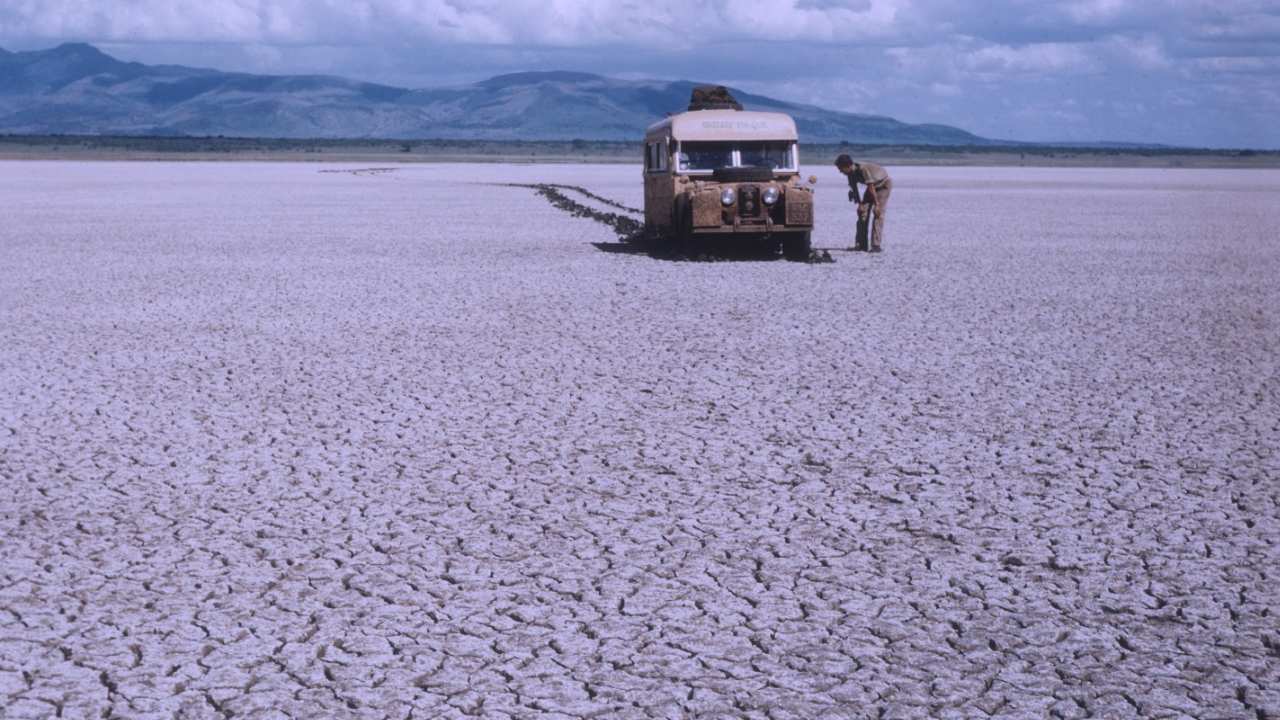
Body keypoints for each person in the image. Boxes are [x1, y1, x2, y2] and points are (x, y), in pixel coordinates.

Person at [835, 155, 892, 252]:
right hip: (872, 188)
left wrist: (877, 205)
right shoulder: (850, 174)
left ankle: (876, 246)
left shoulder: (862, 169)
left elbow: (870, 186)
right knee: (862, 214)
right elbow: (854, 189)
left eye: (841, 168)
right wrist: (860, 205)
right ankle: (861, 245)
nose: (840, 171)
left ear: (847, 166)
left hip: (883, 185)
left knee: (878, 214)